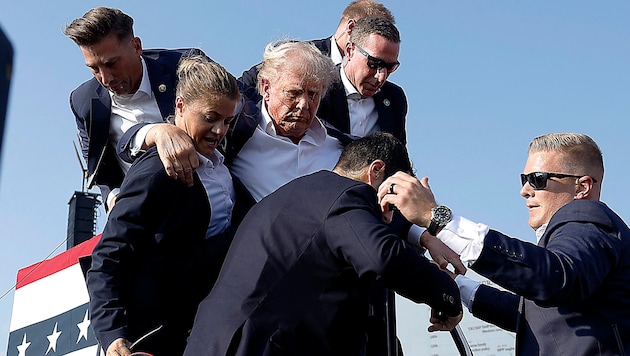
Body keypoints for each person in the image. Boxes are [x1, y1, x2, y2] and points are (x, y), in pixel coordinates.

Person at [183, 132, 463, 356]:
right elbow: (382, 257)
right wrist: (446, 293)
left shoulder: (295, 195)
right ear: (376, 173)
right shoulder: (348, 197)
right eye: (391, 204)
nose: (386, 218)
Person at [379, 133, 630, 355]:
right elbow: (529, 315)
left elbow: (555, 277)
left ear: (582, 187)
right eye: (525, 178)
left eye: (538, 179)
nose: (525, 190)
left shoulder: (587, 216)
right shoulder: (578, 246)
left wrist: (438, 218)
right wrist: (455, 285)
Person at [86, 56, 241, 356]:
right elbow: (108, 257)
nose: (220, 131)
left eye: (228, 121)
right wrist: (113, 335)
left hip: (205, 330)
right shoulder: (156, 171)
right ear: (180, 106)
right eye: (210, 118)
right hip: (154, 337)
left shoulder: (224, 165)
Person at [65, 7, 205, 210]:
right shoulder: (83, 102)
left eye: (111, 63)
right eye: (94, 69)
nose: (106, 79)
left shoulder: (186, 67)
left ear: (136, 46)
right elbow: (101, 171)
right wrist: (114, 199)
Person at [239, 0, 395, 101]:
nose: (380, 75)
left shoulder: (388, 95)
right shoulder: (297, 56)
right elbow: (244, 87)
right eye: (373, 29)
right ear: (352, 27)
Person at [317, 16, 407, 143]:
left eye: (390, 67)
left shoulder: (395, 99)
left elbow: (398, 156)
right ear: (350, 51)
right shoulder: (319, 88)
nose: (381, 76)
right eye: (374, 63)